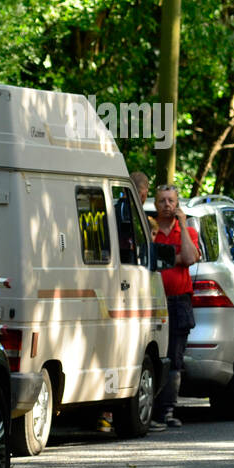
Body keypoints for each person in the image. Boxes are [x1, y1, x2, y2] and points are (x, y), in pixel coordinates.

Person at [100, 171, 155, 433]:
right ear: (142, 192)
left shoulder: (115, 207)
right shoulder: (128, 212)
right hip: (124, 289)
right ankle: (108, 412)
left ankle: (105, 413)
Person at [150, 185, 200, 429]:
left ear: (178, 204)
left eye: (171, 201)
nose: (167, 205)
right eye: (162, 201)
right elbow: (147, 259)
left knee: (174, 359)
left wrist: (181, 227)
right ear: (155, 204)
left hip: (179, 301)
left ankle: (166, 412)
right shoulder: (149, 228)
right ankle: (149, 410)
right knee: (151, 356)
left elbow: (189, 258)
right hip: (153, 300)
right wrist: (173, 258)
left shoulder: (188, 231)